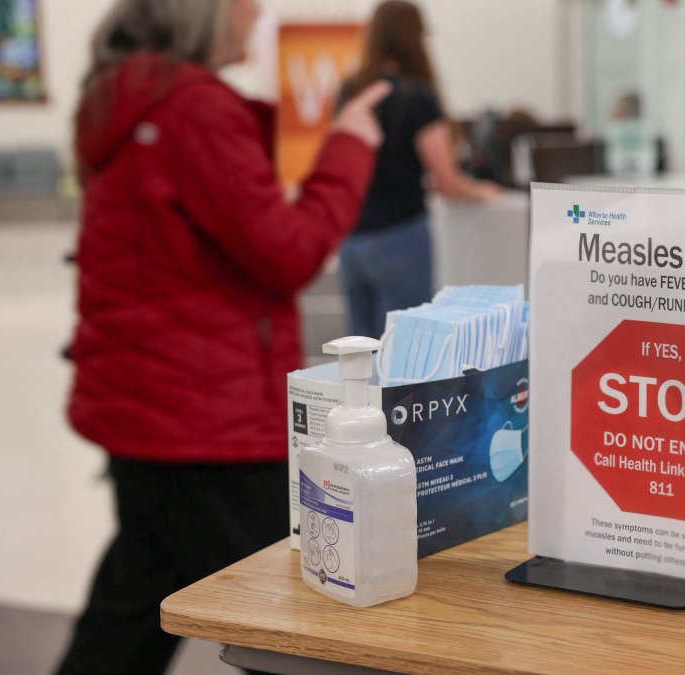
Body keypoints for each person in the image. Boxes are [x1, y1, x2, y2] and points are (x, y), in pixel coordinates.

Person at [54, 1, 390, 673]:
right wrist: (349, 148)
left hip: (150, 398)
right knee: (288, 617)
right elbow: (288, 252)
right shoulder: (193, 110)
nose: (258, 11)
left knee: (138, 596)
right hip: (200, 414)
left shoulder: (132, 99)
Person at [338, 0, 502, 340]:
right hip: (398, 239)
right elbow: (447, 179)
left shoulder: (350, 91)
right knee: (406, 354)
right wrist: (481, 191)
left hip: (352, 240)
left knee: (359, 359)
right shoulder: (417, 96)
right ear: (416, 38)